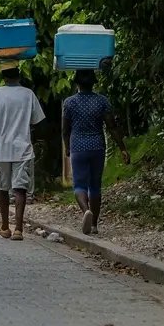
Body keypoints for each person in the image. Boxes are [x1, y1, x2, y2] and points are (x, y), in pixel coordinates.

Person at [62, 69, 130, 235]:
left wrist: (68, 147)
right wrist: (123, 148)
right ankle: (93, 225)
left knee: (79, 185)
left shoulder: (69, 103)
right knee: (95, 186)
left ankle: (86, 211)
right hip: (97, 147)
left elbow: (65, 129)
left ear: (77, 83)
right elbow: (112, 127)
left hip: (78, 146)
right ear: (93, 82)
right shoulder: (102, 101)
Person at [0, 65, 45, 241]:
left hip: (0, 149)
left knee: (2, 188)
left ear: (3, 77)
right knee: (20, 188)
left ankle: (4, 226)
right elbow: (38, 122)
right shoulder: (28, 94)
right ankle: (18, 229)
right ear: (19, 76)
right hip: (22, 148)